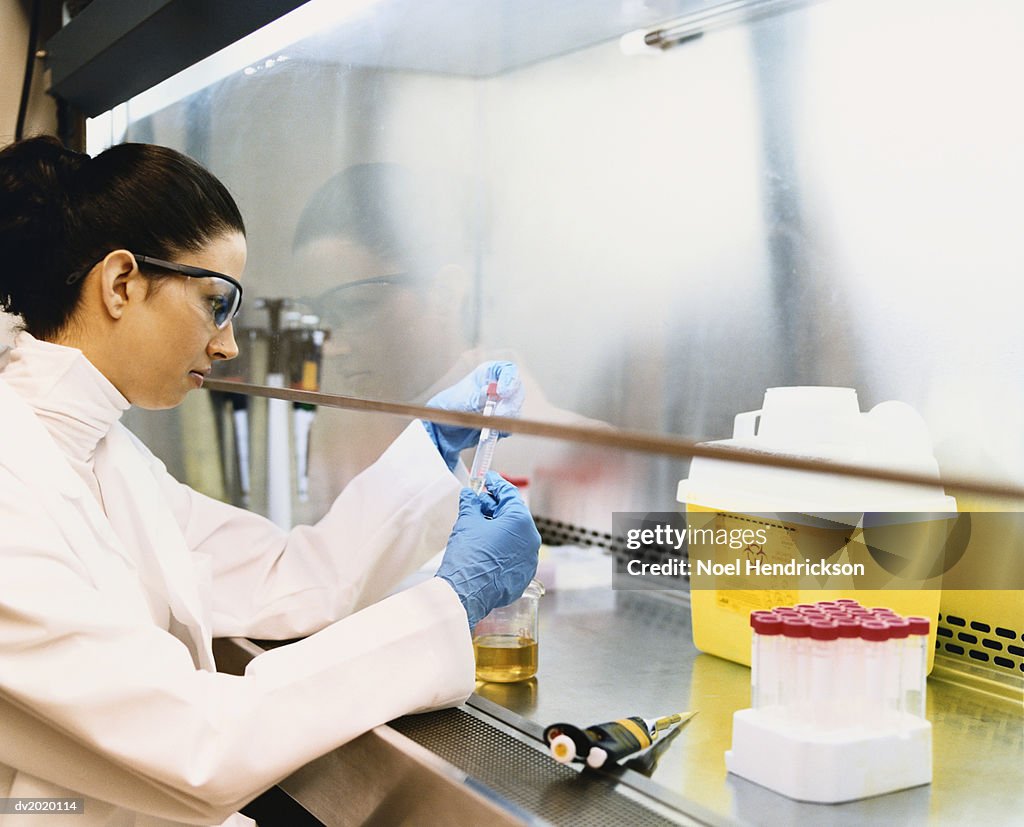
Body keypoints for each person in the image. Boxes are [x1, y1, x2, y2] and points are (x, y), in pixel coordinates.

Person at [0, 135, 540, 827]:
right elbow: (200, 741)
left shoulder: (105, 451)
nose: (226, 343)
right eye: (216, 302)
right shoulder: (16, 479)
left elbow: (288, 573)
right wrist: (451, 600)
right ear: (121, 283)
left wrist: (431, 449)